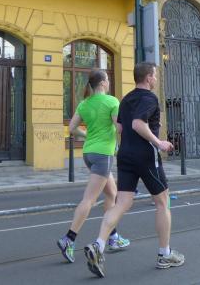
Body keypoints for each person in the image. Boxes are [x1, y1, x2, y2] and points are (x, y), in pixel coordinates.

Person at [83, 62, 181, 278]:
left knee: (122, 203)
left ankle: (99, 245)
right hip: (145, 155)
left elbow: (119, 127)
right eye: (155, 75)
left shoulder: (126, 99)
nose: (156, 79)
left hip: (125, 154)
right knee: (162, 202)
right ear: (148, 77)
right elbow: (137, 124)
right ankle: (164, 254)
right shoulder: (150, 98)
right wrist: (158, 142)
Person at [57, 69, 129, 263]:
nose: (109, 82)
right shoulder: (112, 101)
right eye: (108, 79)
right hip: (103, 155)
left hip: (88, 153)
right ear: (103, 82)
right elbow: (119, 128)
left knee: (112, 194)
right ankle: (68, 239)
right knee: (89, 199)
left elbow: (72, 128)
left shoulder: (84, 103)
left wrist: (87, 135)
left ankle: (113, 236)